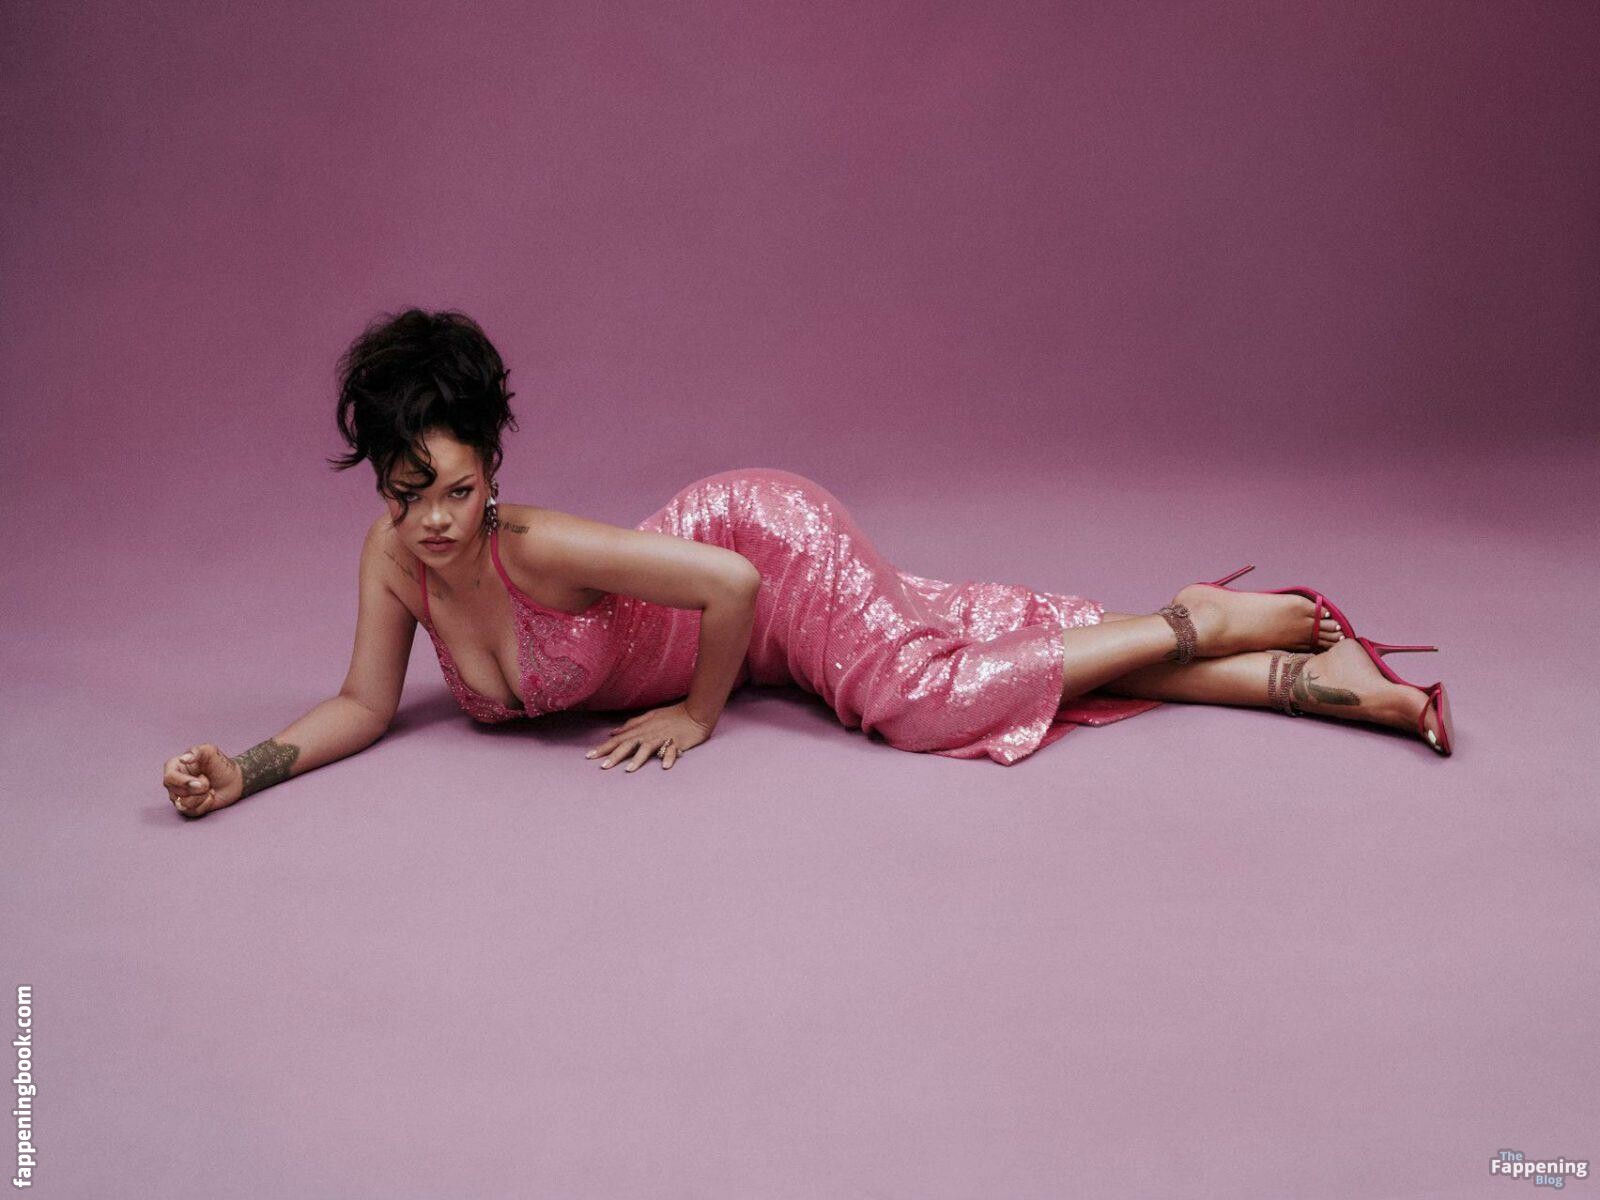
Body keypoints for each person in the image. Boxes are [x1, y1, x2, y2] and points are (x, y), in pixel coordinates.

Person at [161, 309, 1454, 817]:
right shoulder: (394, 560)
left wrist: (698, 712)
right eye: (409, 497)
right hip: (750, 615)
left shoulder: (534, 547)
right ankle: (1316, 679)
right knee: (994, 658)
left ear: (493, 472)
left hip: (762, 547)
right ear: (378, 485)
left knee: (925, 704)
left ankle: (1193, 621)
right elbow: (363, 703)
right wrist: (246, 770)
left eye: (457, 491)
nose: (436, 522)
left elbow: (728, 585)